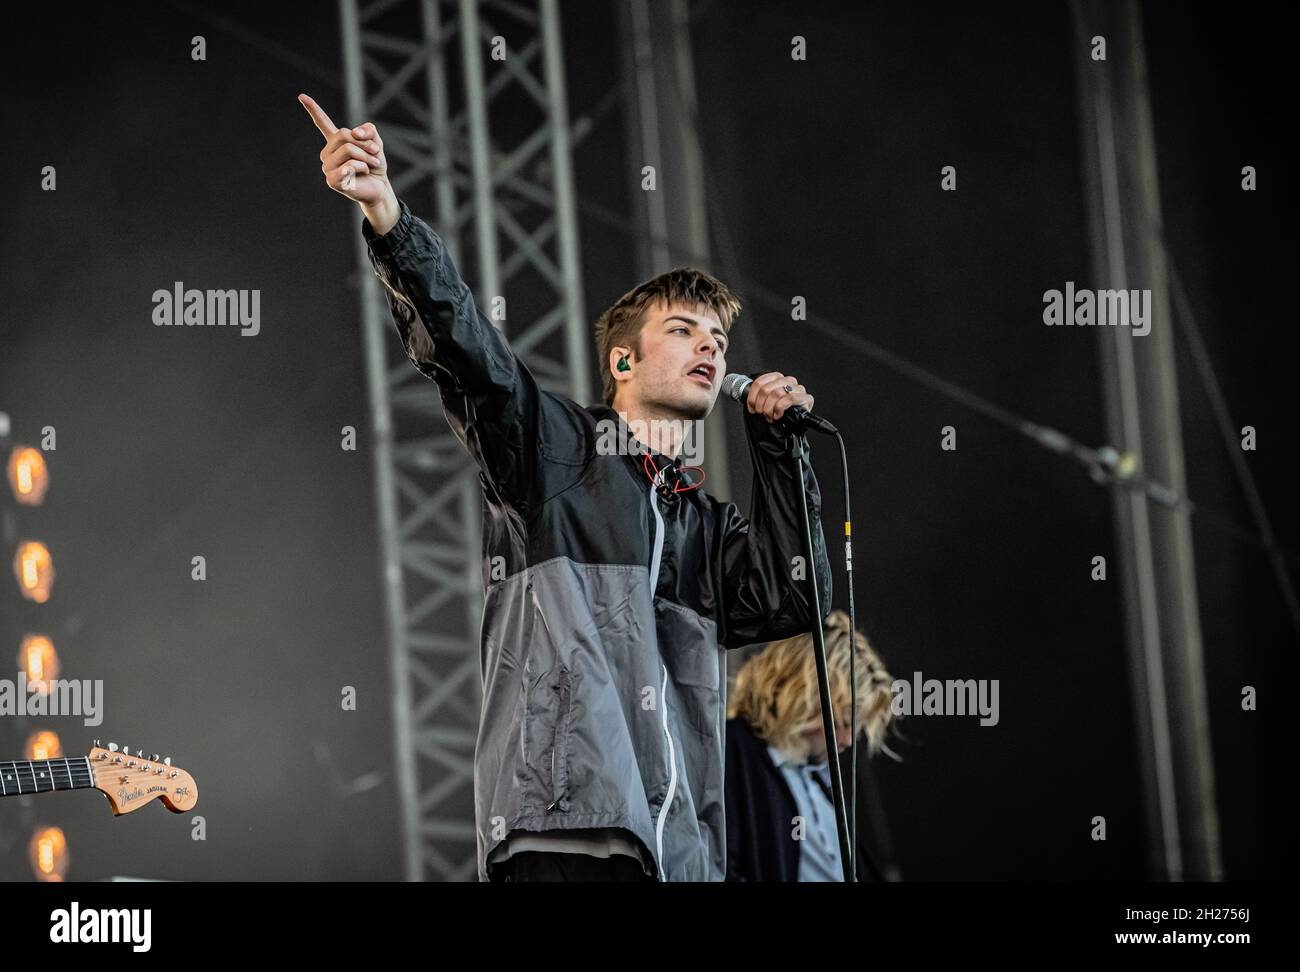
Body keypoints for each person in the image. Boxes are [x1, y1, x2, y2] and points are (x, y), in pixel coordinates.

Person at [299, 94, 832, 881]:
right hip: (564, 830)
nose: (710, 350)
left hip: (679, 856)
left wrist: (780, 454)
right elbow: (466, 347)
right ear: (622, 361)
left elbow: (794, 599)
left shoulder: (703, 525)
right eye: (683, 331)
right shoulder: (556, 450)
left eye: (718, 339)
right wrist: (388, 216)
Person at [725, 609, 897, 881]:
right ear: (805, 698)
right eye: (842, 720)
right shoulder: (734, 753)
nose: (848, 740)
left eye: (857, 728)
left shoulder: (821, 781)